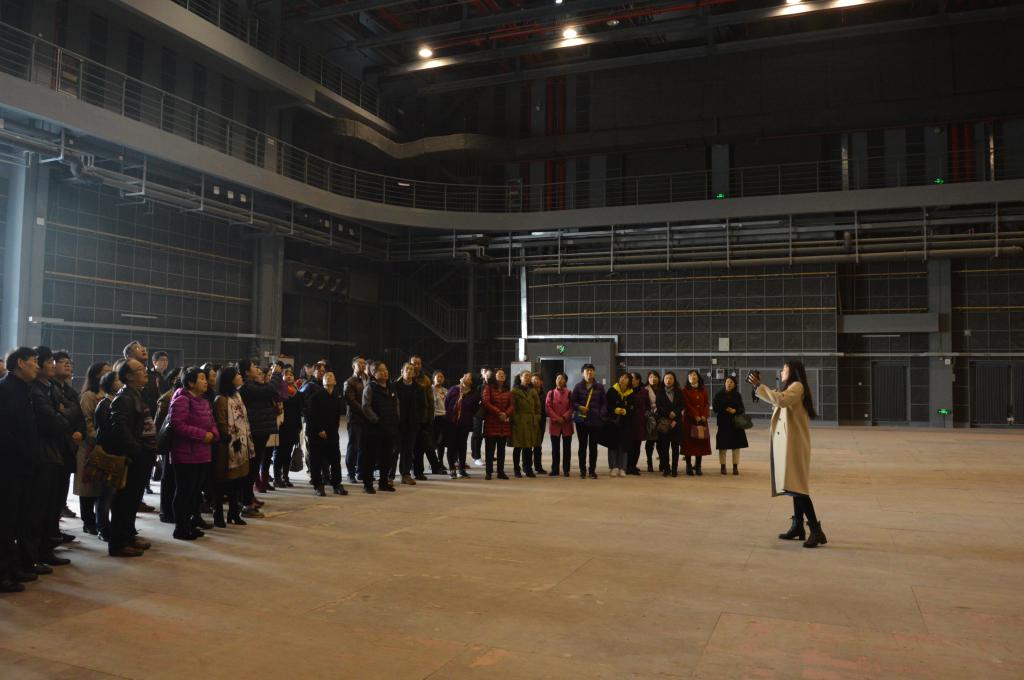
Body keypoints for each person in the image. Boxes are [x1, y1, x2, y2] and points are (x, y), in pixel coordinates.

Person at [748, 362, 826, 548]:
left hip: (794, 444)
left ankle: (816, 530)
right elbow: (777, 398)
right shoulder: (792, 388)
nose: (782, 371)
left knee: (799, 488)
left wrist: (759, 386)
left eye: (784, 369)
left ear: (793, 371)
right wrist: (758, 387)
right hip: (790, 444)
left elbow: (780, 400)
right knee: (793, 486)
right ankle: (798, 526)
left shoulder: (797, 386)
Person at [28, 347, 75, 566]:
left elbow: (73, 412)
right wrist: (62, 415)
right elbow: (52, 421)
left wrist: (62, 414)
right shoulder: (35, 390)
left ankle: (44, 550)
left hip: (55, 452)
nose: (52, 365)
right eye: (48, 362)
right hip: (43, 453)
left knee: (51, 506)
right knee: (38, 509)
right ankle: (33, 555)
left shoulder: (50, 388)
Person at [105, 359, 156, 557]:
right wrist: (136, 450)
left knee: (133, 499)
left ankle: (129, 536)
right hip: (133, 456)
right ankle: (118, 544)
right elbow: (120, 429)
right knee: (124, 501)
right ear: (129, 376)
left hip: (142, 455)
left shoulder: (136, 394)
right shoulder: (124, 397)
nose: (145, 372)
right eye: (140, 369)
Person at [0, 348, 41, 592]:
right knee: (5, 522)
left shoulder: (24, 389)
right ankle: (2, 574)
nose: (37, 366)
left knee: (19, 520)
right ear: (20, 363)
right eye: (33, 361)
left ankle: (14, 567)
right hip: (9, 467)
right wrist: (22, 453)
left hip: (25, 466)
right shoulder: (4, 389)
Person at [167, 367, 218, 540]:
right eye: (202, 378)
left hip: (203, 453)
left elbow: (212, 422)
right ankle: (180, 528)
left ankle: (189, 524)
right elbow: (178, 425)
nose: (205, 381)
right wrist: (203, 435)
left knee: (194, 493)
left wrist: (213, 434)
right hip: (185, 454)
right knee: (184, 492)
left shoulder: (203, 401)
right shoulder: (181, 399)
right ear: (190, 382)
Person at [212, 367, 254, 526]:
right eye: (237, 375)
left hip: (240, 444)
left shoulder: (237, 395)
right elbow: (222, 424)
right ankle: (218, 514)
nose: (240, 376)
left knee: (237, 481)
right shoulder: (221, 399)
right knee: (223, 482)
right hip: (226, 447)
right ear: (229, 379)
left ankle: (233, 512)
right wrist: (231, 438)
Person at [238, 359, 282, 501]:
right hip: (256, 430)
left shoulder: (253, 384)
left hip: (261, 429)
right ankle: (247, 498)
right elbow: (270, 390)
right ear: (246, 372)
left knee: (255, 465)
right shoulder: (247, 387)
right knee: (253, 466)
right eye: (253, 367)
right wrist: (276, 375)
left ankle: (249, 497)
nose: (257, 369)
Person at [76, 362, 110, 536]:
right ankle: (88, 521)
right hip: (90, 446)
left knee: (100, 487)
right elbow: (86, 421)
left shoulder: (109, 395)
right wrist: (98, 439)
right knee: (88, 486)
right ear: (97, 375)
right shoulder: (89, 395)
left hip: (105, 447)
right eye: (106, 372)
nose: (110, 374)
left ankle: (100, 521)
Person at [307, 371, 348, 496]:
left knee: (335, 460)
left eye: (331, 376)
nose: (328, 377)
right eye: (326, 376)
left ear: (335, 382)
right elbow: (311, 416)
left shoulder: (336, 396)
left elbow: (337, 416)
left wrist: (334, 430)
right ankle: (318, 485)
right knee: (316, 461)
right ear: (323, 381)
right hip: (316, 434)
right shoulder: (316, 396)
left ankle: (337, 484)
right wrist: (319, 430)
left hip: (332, 433)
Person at [92, 370, 122, 541]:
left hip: (116, 453)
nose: (120, 382)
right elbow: (106, 431)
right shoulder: (104, 404)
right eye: (117, 380)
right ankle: (102, 527)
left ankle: (109, 526)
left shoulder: (117, 402)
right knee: (105, 494)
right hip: (108, 453)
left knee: (113, 494)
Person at [361, 361, 399, 493]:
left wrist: (396, 419)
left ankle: (383, 483)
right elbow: (366, 407)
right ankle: (368, 484)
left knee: (386, 457)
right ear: (374, 373)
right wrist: (376, 420)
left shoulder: (391, 386)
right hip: (374, 429)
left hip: (389, 427)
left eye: (386, 369)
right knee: (370, 457)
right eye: (381, 370)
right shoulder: (370, 387)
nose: (385, 372)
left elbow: (396, 404)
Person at [410, 355, 446, 478]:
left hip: (423, 418)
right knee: (412, 447)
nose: (416, 366)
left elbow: (430, 401)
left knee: (426, 445)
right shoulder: (405, 379)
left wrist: (429, 418)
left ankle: (427, 469)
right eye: (414, 363)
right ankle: (413, 469)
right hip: (409, 419)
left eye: (418, 363)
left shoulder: (425, 380)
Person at [571, 364, 606, 479]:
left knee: (593, 447)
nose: (589, 373)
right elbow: (573, 402)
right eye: (587, 371)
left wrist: (601, 414)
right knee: (582, 446)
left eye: (591, 370)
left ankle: (592, 470)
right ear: (583, 373)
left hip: (595, 421)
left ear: (594, 372)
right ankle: (582, 470)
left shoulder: (599, 387)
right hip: (582, 421)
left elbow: (604, 403)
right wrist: (579, 407)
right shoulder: (578, 386)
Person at [443, 372, 481, 479]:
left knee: (462, 446)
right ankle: (452, 469)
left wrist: (466, 416)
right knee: (451, 446)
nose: (465, 377)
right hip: (450, 423)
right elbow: (446, 403)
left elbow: (475, 409)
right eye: (465, 375)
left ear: (471, 382)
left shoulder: (474, 394)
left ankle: (462, 469)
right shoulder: (453, 389)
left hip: (464, 424)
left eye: (468, 377)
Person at [712, 376, 749, 475]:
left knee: (736, 446)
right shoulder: (719, 395)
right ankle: (723, 466)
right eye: (727, 382)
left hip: (735, 423)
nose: (729, 384)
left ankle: (735, 467)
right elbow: (715, 408)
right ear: (724, 383)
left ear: (734, 384)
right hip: (723, 423)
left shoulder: (737, 395)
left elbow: (742, 409)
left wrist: (735, 410)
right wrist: (726, 410)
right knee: (722, 446)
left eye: (731, 382)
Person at [482, 368, 514, 480]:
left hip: (503, 424)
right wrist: (499, 412)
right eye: (499, 374)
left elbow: (512, 405)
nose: (501, 375)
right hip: (491, 422)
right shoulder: (488, 388)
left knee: (501, 450)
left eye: (503, 374)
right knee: (490, 450)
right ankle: (488, 472)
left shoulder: (508, 391)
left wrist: (506, 414)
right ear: (494, 377)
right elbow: (486, 402)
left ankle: (500, 472)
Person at [394, 363, 422, 486]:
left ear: (414, 373)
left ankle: (405, 474)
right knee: (394, 451)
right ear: (402, 372)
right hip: (397, 423)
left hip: (411, 424)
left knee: (408, 451)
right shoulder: (394, 386)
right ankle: (389, 475)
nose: (409, 371)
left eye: (411, 370)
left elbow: (421, 406)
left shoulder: (418, 387)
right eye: (407, 369)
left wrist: (419, 421)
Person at [274, 367, 302, 488]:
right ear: (282, 377)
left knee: (288, 453)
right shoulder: (280, 390)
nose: (289, 376)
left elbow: (299, 410)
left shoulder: (297, 392)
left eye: (291, 374)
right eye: (286, 374)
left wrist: (299, 426)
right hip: (282, 426)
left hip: (293, 426)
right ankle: (277, 478)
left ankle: (285, 476)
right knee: (279, 453)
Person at [510, 370, 541, 478]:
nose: (528, 378)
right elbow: (512, 406)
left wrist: (536, 417)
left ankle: (528, 469)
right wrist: (515, 418)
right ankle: (516, 469)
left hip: (531, 421)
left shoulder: (532, 391)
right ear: (520, 377)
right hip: (519, 421)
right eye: (526, 376)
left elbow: (538, 406)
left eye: (529, 376)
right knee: (518, 447)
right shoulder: (514, 391)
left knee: (528, 447)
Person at [343, 356, 368, 484]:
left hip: (367, 419)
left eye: (364, 363)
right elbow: (351, 401)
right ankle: (351, 473)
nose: (363, 365)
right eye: (360, 363)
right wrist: (366, 410)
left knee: (364, 447)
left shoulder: (368, 379)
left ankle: (361, 472)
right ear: (354, 366)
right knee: (353, 446)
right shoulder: (349, 382)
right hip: (355, 418)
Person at [603, 372, 634, 477]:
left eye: (625, 378)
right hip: (613, 422)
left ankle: (622, 468)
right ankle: (613, 467)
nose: (622, 379)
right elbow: (606, 405)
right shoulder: (612, 390)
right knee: (613, 444)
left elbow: (633, 407)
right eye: (621, 377)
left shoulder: (631, 393)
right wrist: (615, 410)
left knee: (624, 445)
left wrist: (625, 411)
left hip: (626, 423)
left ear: (629, 381)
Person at [682, 370, 711, 476]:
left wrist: (704, 415)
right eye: (690, 375)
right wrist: (695, 416)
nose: (692, 377)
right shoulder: (684, 390)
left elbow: (706, 404)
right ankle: (688, 466)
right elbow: (687, 405)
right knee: (688, 444)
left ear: (698, 377)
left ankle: (698, 466)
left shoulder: (703, 390)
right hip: (689, 421)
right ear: (688, 378)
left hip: (702, 421)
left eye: (694, 375)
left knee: (700, 443)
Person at [544, 372, 574, 476]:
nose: (560, 380)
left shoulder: (570, 393)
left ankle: (566, 470)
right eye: (558, 378)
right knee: (555, 449)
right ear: (555, 380)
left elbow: (572, 407)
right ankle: (555, 469)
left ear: (565, 381)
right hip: (555, 425)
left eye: (562, 378)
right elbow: (548, 407)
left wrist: (564, 417)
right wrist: (557, 418)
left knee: (567, 449)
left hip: (567, 424)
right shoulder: (551, 393)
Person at [656, 371, 684, 477]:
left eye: (671, 378)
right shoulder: (660, 392)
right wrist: (668, 413)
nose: (668, 380)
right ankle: (666, 468)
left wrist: (675, 415)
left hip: (676, 422)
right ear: (663, 380)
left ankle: (674, 469)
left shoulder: (679, 392)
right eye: (666, 378)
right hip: (664, 422)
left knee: (675, 448)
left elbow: (681, 405)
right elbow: (659, 407)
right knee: (664, 447)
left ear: (674, 380)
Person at [626, 372, 649, 475]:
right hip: (628, 421)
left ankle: (633, 465)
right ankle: (627, 466)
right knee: (629, 445)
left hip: (639, 421)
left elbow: (648, 405)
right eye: (630, 378)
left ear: (638, 380)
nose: (631, 380)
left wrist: (645, 414)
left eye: (633, 378)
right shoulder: (626, 390)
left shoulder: (644, 391)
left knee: (637, 445)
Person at [470, 366, 492, 466]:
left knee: (488, 435)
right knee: (477, 434)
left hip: (489, 412)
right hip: (478, 413)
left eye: (488, 373)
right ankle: (476, 456)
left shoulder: (493, 385)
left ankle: (489, 455)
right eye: (484, 372)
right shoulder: (478, 384)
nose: (486, 374)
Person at [530, 374, 548, 475]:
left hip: (541, 422)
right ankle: (527, 466)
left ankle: (538, 467)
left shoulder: (544, 394)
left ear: (541, 382)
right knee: (527, 445)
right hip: (530, 421)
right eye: (533, 380)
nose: (534, 381)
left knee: (538, 445)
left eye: (536, 379)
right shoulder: (528, 392)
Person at [432, 370, 447, 470]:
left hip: (444, 417)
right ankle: (433, 462)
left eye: (441, 377)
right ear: (433, 378)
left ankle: (440, 461)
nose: (440, 378)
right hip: (434, 418)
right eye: (438, 377)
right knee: (433, 442)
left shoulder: (445, 390)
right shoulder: (430, 389)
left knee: (441, 442)